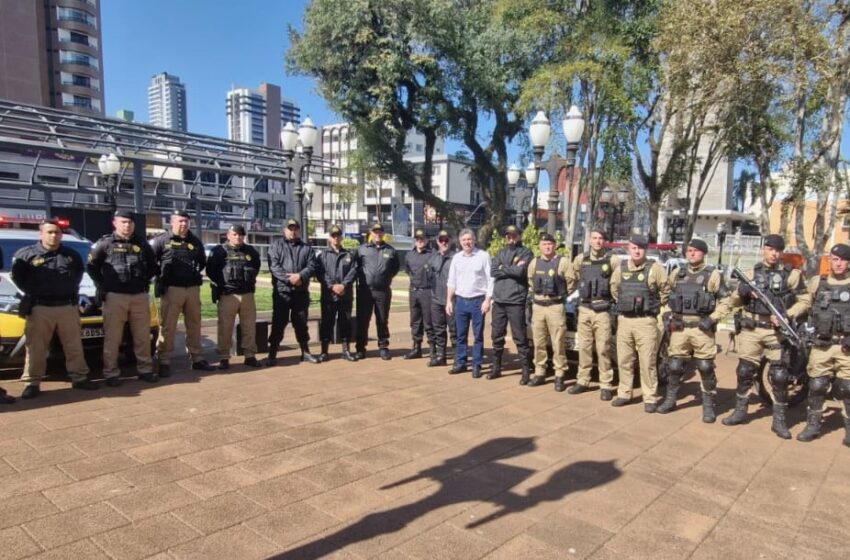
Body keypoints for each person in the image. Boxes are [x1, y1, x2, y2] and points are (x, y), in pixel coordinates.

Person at [722, 234, 811, 438]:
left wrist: (788, 314)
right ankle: (740, 412)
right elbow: (734, 300)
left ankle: (779, 421)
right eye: (770, 249)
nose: (774, 253)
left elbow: (805, 300)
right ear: (764, 249)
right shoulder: (750, 272)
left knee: (780, 376)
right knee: (744, 371)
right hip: (751, 329)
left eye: (778, 250)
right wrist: (743, 292)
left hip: (776, 332)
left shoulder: (792, 275)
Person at [12, 219, 98, 398]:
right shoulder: (26, 255)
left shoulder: (70, 255)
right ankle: (32, 382)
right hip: (40, 307)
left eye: (57, 232)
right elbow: (19, 279)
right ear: (41, 234)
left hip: (67, 306)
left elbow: (77, 276)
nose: (54, 236)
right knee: (36, 347)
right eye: (50, 232)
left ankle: (79, 378)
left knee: (73, 345)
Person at [657, 238, 732, 422]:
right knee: (674, 366)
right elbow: (666, 297)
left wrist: (713, 318)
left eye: (696, 251)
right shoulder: (677, 273)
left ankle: (708, 406)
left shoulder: (712, 275)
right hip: (680, 328)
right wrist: (666, 313)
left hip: (702, 329)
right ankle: (670, 400)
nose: (691, 253)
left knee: (705, 367)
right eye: (689, 250)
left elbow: (726, 301)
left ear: (703, 253)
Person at [87, 209, 158, 385]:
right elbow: (92, 266)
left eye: (130, 222)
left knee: (142, 336)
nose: (127, 225)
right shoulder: (104, 243)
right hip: (115, 296)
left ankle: (145, 369)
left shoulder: (142, 243)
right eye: (123, 222)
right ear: (115, 223)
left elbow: (152, 266)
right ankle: (111, 373)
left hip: (139, 296)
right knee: (113, 337)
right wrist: (102, 285)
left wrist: (142, 281)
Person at [609, 234, 670, 412]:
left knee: (647, 361)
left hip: (646, 322)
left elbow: (665, 290)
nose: (637, 251)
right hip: (625, 320)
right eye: (634, 247)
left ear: (646, 249)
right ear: (629, 248)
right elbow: (614, 289)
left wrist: (653, 305)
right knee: (624, 360)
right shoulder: (621, 268)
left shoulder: (655, 268)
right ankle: (624, 393)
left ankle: (650, 397)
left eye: (640, 248)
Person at [150, 209, 214, 376]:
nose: (183, 224)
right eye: (180, 221)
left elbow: (202, 262)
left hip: (192, 289)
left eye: (186, 221)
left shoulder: (195, 242)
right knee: (168, 326)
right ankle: (164, 360)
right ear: (172, 222)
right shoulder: (161, 240)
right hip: (172, 289)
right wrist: (161, 276)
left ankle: (197, 358)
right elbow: (150, 262)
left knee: (194, 325)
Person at [798, 243, 850, 445]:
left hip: (846, 348)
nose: (838, 264)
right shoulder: (817, 282)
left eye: (843, 260)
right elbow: (804, 302)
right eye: (835, 259)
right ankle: (813, 426)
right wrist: (790, 313)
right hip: (822, 344)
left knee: (847, 388)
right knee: (817, 385)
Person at [568, 228, 618, 398]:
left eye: (601, 238)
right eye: (595, 238)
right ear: (590, 240)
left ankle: (606, 384)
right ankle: (583, 380)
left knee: (603, 348)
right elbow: (572, 279)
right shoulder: (581, 259)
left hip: (602, 310)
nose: (597, 241)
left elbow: (618, 283)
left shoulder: (612, 260)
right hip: (584, 309)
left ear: (605, 242)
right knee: (584, 347)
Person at [206, 224, 262, 370]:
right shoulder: (219, 252)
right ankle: (224, 357)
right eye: (235, 234)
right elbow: (211, 271)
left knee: (249, 327)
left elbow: (256, 267)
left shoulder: (250, 251)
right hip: (228, 295)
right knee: (225, 328)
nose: (238, 237)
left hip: (247, 295)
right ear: (228, 235)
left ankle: (250, 356)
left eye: (241, 235)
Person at [526, 233, 575, 391]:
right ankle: (540, 372)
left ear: (555, 246)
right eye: (544, 244)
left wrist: (560, 294)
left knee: (558, 342)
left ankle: (559, 374)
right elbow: (531, 281)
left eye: (550, 244)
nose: (547, 247)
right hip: (538, 306)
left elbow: (571, 282)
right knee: (539, 342)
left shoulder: (563, 262)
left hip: (555, 306)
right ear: (540, 246)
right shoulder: (535, 262)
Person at [267, 218, 318, 365]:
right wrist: (290, 279)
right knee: (278, 323)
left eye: (296, 228)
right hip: (282, 293)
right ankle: (272, 354)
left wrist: (300, 276)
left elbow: (312, 265)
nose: (293, 231)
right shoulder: (276, 246)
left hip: (301, 292)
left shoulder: (307, 248)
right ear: (285, 230)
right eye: (290, 228)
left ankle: (306, 352)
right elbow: (274, 266)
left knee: (301, 323)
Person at [446, 229, 493, 378]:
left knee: (478, 335)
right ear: (460, 242)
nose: (467, 242)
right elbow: (451, 281)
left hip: (478, 301)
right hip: (460, 301)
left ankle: (476, 365)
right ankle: (460, 363)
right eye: (464, 240)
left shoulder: (483, 256)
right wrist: (449, 301)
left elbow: (491, 279)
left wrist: (487, 300)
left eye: (469, 239)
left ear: (474, 241)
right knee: (460, 335)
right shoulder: (456, 258)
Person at [490, 225, 533, 382]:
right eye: (508, 236)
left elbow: (521, 272)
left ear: (519, 236)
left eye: (514, 236)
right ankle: (496, 367)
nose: (511, 238)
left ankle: (525, 370)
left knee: (520, 337)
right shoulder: (500, 252)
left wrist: (503, 267)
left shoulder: (526, 252)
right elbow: (493, 271)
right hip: (499, 300)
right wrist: (510, 268)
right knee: (496, 335)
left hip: (515, 300)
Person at [355, 223, 400, 360]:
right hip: (365, 291)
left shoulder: (390, 250)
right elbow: (356, 267)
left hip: (383, 291)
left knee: (382, 320)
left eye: (380, 232)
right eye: (375, 232)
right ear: (370, 233)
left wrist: (385, 277)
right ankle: (360, 348)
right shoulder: (362, 250)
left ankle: (383, 347)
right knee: (363, 320)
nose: (377, 234)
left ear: (383, 234)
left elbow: (395, 268)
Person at [317, 224, 358, 362]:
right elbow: (320, 273)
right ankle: (324, 351)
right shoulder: (322, 256)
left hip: (345, 296)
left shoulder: (348, 255)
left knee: (345, 323)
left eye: (338, 235)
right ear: (329, 238)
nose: (336, 238)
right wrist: (332, 286)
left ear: (341, 237)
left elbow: (353, 271)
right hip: (329, 296)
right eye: (333, 236)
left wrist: (344, 285)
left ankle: (346, 350)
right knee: (326, 323)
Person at [403, 229, 434, 360]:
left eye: (422, 239)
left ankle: (433, 349)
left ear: (427, 240)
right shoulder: (410, 255)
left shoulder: (433, 255)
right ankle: (417, 348)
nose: (419, 241)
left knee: (429, 321)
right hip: (414, 291)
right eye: (417, 239)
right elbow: (408, 270)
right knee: (415, 321)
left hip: (427, 291)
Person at [428, 230, 456, 367]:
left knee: (454, 330)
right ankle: (441, 356)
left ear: (451, 241)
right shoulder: (433, 257)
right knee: (438, 329)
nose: (444, 243)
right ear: (437, 241)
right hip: (436, 299)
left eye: (446, 240)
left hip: (452, 301)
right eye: (441, 240)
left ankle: (458, 357)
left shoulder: (456, 258)